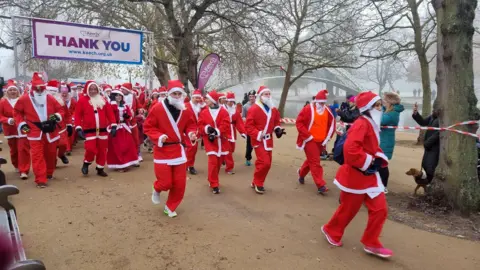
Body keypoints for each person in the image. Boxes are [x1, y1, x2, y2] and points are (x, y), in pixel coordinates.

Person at [321, 91, 392, 258]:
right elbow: (350, 150)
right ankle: (331, 230)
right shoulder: (361, 124)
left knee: (380, 209)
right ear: (368, 107)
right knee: (348, 209)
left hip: (370, 176)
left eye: (380, 105)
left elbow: (372, 147)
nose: (380, 108)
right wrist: (369, 162)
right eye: (377, 105)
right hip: (354, 176)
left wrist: (379, 158)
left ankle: (371, 242)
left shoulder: (371, 123)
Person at [144, 80, 197, 217]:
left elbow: (191, 125)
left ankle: (170, 207)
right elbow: (148, 127)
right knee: (165, 183)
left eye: (180, 93)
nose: (177, 96)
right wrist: (159, 136)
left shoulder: (185, 110)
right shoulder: (157, 108)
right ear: (168, 94)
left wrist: (191, 133)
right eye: (174, 93)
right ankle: (156, 188)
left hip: (178, 151)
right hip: (162, 151)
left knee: (180, 184)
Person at [14, 72, 64, 188]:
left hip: (50, 131)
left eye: (41, 87)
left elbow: (60, 110)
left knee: (51, 154)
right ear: (32, 87)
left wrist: (54, 117)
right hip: (34, 131)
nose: (39, 90)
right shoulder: (24, 99)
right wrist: (22, 124)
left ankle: (49, 172)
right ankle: (40, 179)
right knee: (37, 156)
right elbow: (16, 112)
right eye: (36, 88)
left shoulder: (50, 98)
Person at [245, 86, 284, 194]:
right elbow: (248, 126)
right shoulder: (254, 109)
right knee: (265, 162)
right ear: (260, 96)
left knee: (266, 163)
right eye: (265, 94)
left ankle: (255, 181)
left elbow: (277, 121)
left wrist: (278, 130)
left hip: (269, 141)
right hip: (258, 140)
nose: (268, 96)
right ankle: (259, 183)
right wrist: (258, 134)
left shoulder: (273, 108)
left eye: (268, 94)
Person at [295, 90, 336, 194]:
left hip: (321, 141)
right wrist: (307, 136)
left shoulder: (327, 111)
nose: (322, 104)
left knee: (311, 160)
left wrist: (327, 137)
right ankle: (320, 185)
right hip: (310, 140)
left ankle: (301, 173)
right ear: (316, 101)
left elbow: (332, 125)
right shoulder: (308, 109)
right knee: (315, 162)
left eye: (324, 102)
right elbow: (299, 123)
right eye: (320, 102)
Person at [75, 80, 117, 177]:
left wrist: (113, 125)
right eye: (91, 89)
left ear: (98, 90)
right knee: (90, 149)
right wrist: (78, 128)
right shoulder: (82, 100)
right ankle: (87, 162)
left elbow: (110, 114)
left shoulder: (103, 100)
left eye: (95, 89)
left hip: (102, 130)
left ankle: (100, 168)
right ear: (87, 89)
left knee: (103, 150)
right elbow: (77, 115)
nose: (93, 91)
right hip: (89, 130)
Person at [198, 90, 230, 194]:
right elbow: (200, 125)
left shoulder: (224, 112)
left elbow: (226, 125)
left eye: (207, 99)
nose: (205, 100)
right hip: (210, 142)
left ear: (212, 101)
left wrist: (216, 132)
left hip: (222, 140)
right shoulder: (204, 112)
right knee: (213, 162)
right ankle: (214, 184)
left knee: (219, 162)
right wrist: (207, 129)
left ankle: (212, 178)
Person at [0, 79, 30, 179]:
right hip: (10, 130)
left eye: (14, 90)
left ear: (18, 91)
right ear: (7, 92)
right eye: (10, 90)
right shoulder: (3, 102)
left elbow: (29, 113)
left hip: (23, 128)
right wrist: (8, 120)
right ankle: (16, 165)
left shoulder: (22, 100)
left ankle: (24, 170)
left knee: (24, 149)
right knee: (14, 150)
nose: (13, 92)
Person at [106, 90, 138, 171]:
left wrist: (127, 116)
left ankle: (127, 162)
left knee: (128, 145)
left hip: (124, 128)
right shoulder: (111, 105)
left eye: (120, 95)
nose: (118, 97)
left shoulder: (125, 105)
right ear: (114, 97)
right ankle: (120, 164)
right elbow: (109, 116)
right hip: (115, 128)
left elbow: (130, 116)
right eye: (116, 95)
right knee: (118, 147)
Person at [379, 92, 404, 193]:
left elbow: (380, 120)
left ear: (390, 102)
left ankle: (384, 186)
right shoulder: (388, 111)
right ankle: (380, 184)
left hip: (386, 142)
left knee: (383, 165)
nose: (383, 102)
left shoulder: (393, 113)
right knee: (380, 164)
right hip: (383, 140)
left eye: (385, 100)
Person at [412, 101, 440, 185]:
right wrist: (416, 113)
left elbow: (438, 134)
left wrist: (427, 143)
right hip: (428, 146)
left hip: (435, 147)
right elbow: (423, 122)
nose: (433, 111)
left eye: (435, 109)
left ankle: (430, 184)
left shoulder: (442, 120)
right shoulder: (432, 117)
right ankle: (427, 185)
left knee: (431, 167)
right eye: (433, 109)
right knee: (425, 165)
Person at [46, 80, 72, 166]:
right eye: (50, 91)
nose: (52, 93)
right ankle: (52, 163)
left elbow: (67, 114)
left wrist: (69, 125)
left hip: (61, 128)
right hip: (49, 128)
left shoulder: (61, 101)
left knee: (63, 144)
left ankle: (61, 154)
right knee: (51, 148)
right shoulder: (42, 103)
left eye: (54, 91)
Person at [224, 92, 247, 174]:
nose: (230, 103)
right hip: (225, 131)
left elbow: (239, 123)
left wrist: (243, 132)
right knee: (228, 150)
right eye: (229, 101)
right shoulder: (222, 109)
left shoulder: (235, 111)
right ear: (226, 101)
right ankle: (229, 168)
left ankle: (224, 158)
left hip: (232, 131)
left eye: (232, 101)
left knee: (232, 149)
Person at [120, 82, 142, 164]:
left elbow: (139, 105)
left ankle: (137, 155)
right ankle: (127, 157)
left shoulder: (134, 97)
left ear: (127, 90)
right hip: (124, 123)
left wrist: (140, 109)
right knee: (125, 141)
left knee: (135, 139)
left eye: (123, 89)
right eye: (121, 89)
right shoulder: (119, 97)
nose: (122, 90)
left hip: (133, 122)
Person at [184, 89, 203, 175]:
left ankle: (188, 164)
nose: (198, 100)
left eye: (199, 98)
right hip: (187, 130)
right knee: (191, 147)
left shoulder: (201, 106)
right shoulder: (186, 105)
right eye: (196, 98)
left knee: (193, 149)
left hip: (197, 130)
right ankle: (189, 165)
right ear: (192, 97)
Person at [242, 90, 256, 166]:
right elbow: (243, 116)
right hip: (250, 128)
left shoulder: (259, 105)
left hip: (258, 127)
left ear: (255, 97)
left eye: (253, 96)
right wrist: (244, 119)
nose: (251, 98)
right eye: (250, 96)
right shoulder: (245, 106)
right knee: (249, 144)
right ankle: (248, 158)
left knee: (258, 144)